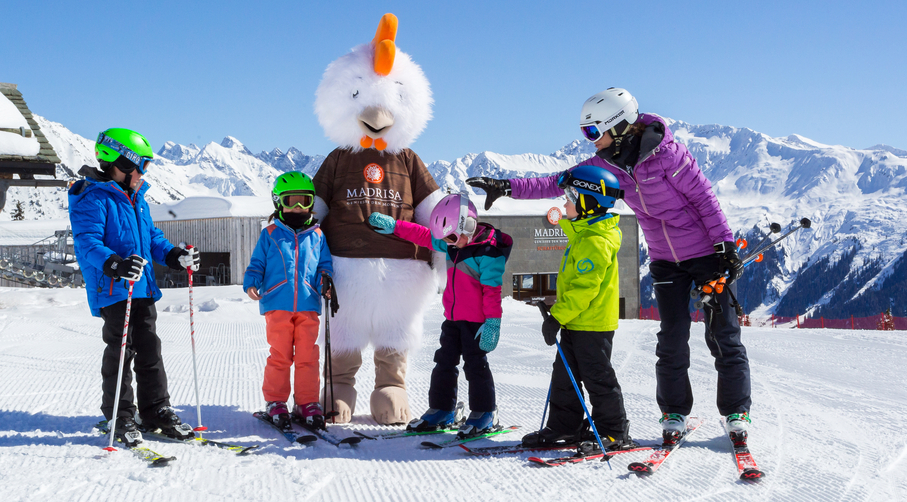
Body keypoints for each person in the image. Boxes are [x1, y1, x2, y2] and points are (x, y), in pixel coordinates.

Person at [467, 88, 752, 443]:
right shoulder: (606, 164)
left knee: (723, 335)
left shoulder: (669, 156)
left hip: (707, 254)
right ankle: (674, 411)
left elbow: (703, 198)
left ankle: (736, 411)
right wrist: (506, 187)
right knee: (672, 339)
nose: (589, 142)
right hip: (665, 260)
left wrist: (724, 243)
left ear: (618, 127)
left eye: (592, 132)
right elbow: (554, 182)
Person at [69, 128, 201, 447]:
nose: (143, 172)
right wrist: (114, 263)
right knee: (120, 351)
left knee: (150, 350)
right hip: (114, 289)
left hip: (142, 288)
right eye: (140, 165)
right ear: (122, 161)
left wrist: (174, 255)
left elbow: (151, 238)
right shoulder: (93, 196)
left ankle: (155, 409)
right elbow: (87, 242)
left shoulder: (136, 197)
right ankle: (120, 414)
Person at [368, 193, 513, 437]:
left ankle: (486, 413)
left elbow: (492, 292)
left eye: (452, 237)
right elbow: (423, 235)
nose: (449, 243)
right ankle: (443, 409)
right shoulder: (453, 242)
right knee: (444, 362)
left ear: (468, 224)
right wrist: (394, 227)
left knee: (476, 366)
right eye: (445, 238)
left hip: (476, 323)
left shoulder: (488, 252)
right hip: (453, 319)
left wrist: (493, 323)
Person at [522, 165, 636, 452]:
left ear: (589, 201)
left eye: (570, 197)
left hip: (593, 324)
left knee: (597, 377)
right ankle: (566, 426)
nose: (564, 203)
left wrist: (557, 317)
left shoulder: (596, 241)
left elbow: (585, 289)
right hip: (576, 321)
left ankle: (613, 430)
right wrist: (558, 312)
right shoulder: (583, 236)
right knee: (564, 376)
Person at [244, 171, 334, 431]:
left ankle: (306, 402)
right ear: (278, 202)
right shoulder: (270, 234)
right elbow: (257, 264)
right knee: (280, 355)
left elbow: (324, 266)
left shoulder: (317, 236)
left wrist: (325, 281)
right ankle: (276, 401)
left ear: (311, 203)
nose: (297, 207)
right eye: (290, 200)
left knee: (308, 356)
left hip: (308, 305)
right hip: (277, 304)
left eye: (303, 201)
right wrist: (251, 282)